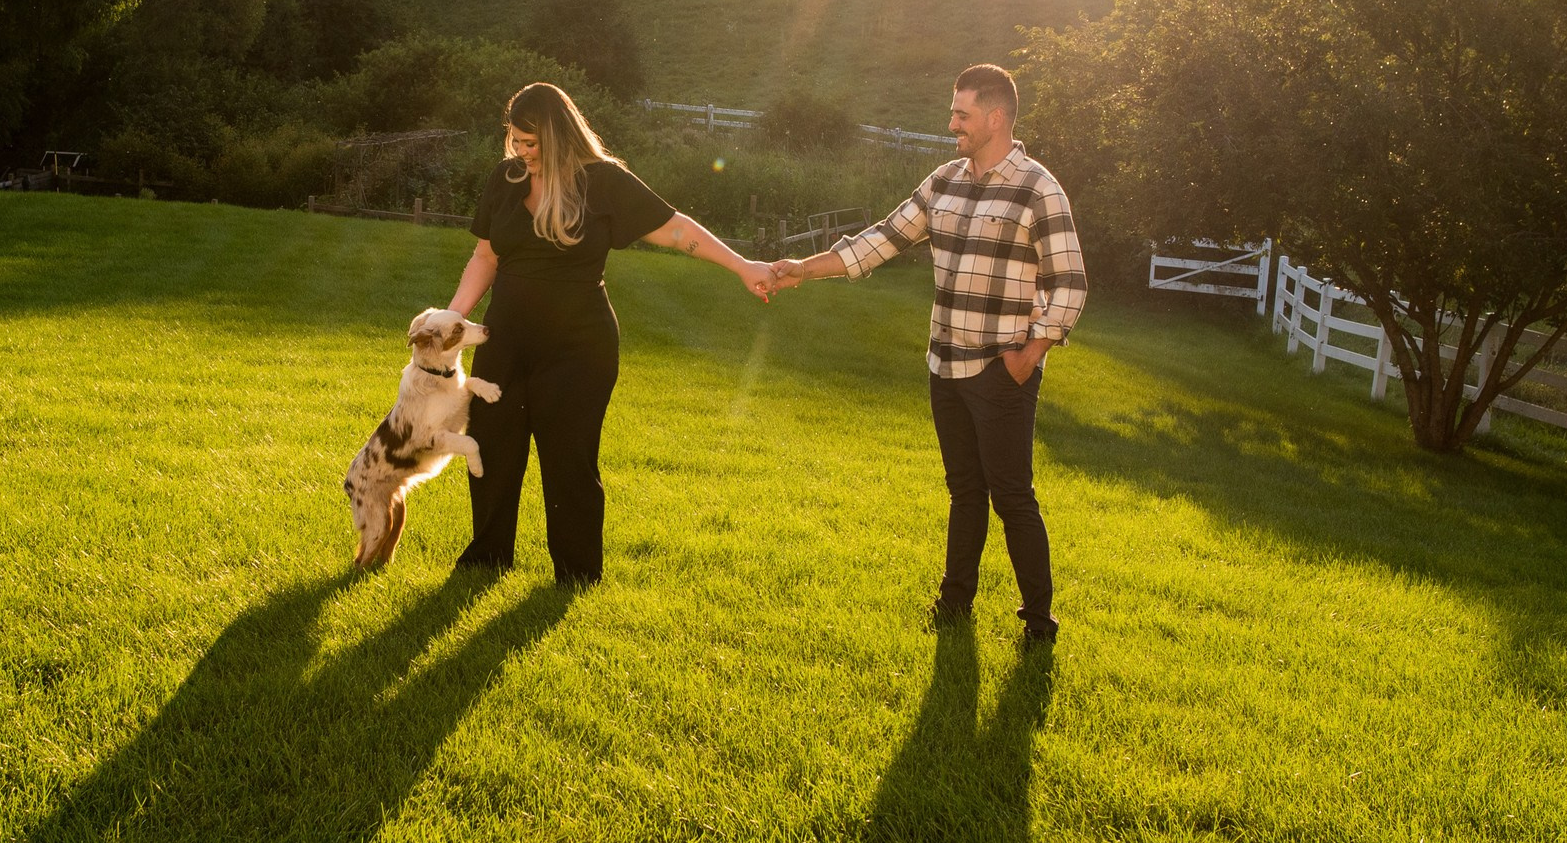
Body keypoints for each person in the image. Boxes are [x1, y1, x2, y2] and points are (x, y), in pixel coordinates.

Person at [771, 63, 1087, 641]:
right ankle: (953, 607)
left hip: (1000, 373)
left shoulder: (1038, 187)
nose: (951, 124)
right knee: (964, 492)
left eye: (961, 114)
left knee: (1012, 497)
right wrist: (802, 270)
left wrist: (1027, 356)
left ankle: (1039, 622)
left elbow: (1071, 284)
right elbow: (880, 240)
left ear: (995, 118)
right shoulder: (944, 181)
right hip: (944, 367)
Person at [446, 82, 776, 585]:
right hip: (506, 338)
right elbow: (484, 257)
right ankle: (488, 559)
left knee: (569, 459)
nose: (522, 154)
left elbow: (675, 229)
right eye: (515, 142)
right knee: (491, 446)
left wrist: (740, 265)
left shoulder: (602, 182)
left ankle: (576, 575)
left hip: (579, 346)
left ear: (558, 136)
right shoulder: (506, 179)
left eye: (531, 144)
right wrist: (452, 319)